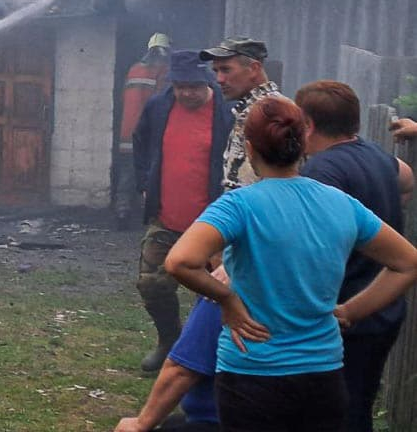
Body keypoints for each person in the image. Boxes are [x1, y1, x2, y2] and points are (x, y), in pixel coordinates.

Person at [165, 97, 417, 432]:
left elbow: (181, 261)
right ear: (302, 147)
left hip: (250, 372)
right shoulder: (341, 204)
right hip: (322, 372)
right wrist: (350, 311)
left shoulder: (238, 205)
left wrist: (227, 300)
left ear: (251, 150)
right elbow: (408, 263)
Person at [296, 81, 415, 432]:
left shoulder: (321, 172)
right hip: (385, 308)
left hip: (346, 314)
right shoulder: (374, 154)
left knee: (333, 416)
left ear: (309, 124)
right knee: (357, 407)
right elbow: (407, 180)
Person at [132, 50, 233, 372]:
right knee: (151, 284)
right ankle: (169, 341)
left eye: (193, 86)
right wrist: (145, 182)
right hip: (166, 217)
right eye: (179, 86)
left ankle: (213, 354)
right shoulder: (159, 106)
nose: (186, 93)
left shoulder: (228, 112)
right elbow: (140, 140)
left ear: (207, 81)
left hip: (215, 223)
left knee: (216, 291)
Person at [113, 296, 223, 431]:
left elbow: (181, 372)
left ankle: (170, 345)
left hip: (224, 422)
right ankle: (168, 341)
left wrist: (141, 423)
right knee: (173, 422)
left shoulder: (218, 298)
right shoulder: (248, 288)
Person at [199, 37, 285, 190]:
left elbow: (279, 182)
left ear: (254, 68)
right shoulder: (249, 110)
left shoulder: (273, 111)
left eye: (226, 69)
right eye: (216, 71)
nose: (219, 79)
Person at [114, 32, 172, 229]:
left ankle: (122, 212)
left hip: (127, 133)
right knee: (151, 175)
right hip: (150, 133)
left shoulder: (133, 70)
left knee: (127, 175)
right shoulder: (164, 72)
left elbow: (125, 100)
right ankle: (147, 214)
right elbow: (163, 103)